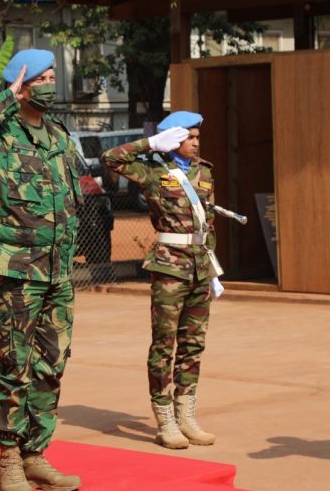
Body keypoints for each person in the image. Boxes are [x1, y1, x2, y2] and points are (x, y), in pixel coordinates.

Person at [0, 49, 83, 491]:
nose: (49, 83)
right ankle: (8, 460)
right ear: (21, 85)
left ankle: (35, 454)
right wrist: (4, 98)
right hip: (14, 271)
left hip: (58, 271)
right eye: (39, 78)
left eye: (52, 76)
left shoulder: (58, 136)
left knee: (52, 364)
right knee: (15, 365)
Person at [101, 111, 221, 450]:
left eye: (198, 137)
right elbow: (110, 159)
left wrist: (213, 266)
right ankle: (165, 417)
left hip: (200, 266)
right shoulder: (152, 172)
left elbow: (207, 223)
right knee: (164, 344)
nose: (196, 143)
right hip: (170, 268)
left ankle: (187, 413)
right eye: (190, 137)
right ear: (172, 140)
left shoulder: (205, 172)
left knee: (193, 344)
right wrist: (149, 143)